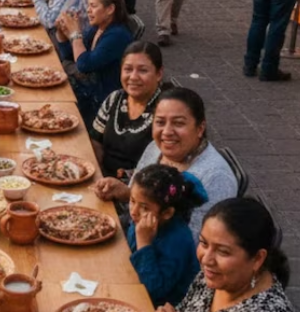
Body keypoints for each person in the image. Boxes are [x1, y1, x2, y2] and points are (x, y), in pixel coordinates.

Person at [92, 87, 237, 241]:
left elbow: (198, 245)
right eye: (160, 122)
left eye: (178, 123)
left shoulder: (215, 177)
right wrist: (126, 193)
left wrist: (144, 240)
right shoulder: (155, 148)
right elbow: (149, 200)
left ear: (200, 128)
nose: (167, 132)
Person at [162, 198, 292, 312]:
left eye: (223, 251)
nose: (206, 259)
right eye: (203, 243)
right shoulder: (215, 276)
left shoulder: (267, 308)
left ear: (258, 258)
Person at [55, 0, 133, 127]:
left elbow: (84, 65)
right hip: (87, 92)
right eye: (88, 5)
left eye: (93, 6)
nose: (88, 10)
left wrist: (75, 34)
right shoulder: (98, 27)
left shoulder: (117, 36)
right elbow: (70, 56)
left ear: (110, 9)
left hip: (101, 104)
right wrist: (62, 33)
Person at [128, 165, 205, 306]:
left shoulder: (178, 241)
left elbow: (154, 291)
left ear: (167, 213)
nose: (134, 211)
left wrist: (144, 244)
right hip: (133, 285)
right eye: (132, 201)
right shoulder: (143, 221)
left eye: (144, 207)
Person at [90, 41, 166, 177]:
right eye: (128, 69)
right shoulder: (114, 99)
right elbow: (96, 140)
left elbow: (164, 165)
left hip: (140, 188)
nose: (133, 77)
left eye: (143, 70)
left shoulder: (165, 111)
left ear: (159, 73)